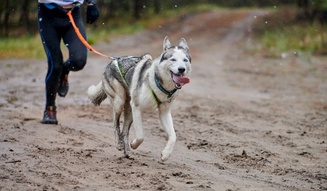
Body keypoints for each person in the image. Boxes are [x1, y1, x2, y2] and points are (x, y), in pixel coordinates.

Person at [38, 0, 100, 124]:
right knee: (55, 64)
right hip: (48, 16)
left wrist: (92, 3)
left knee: (79, 61)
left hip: (73, 14)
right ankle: (50, 108)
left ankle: (64, 70)